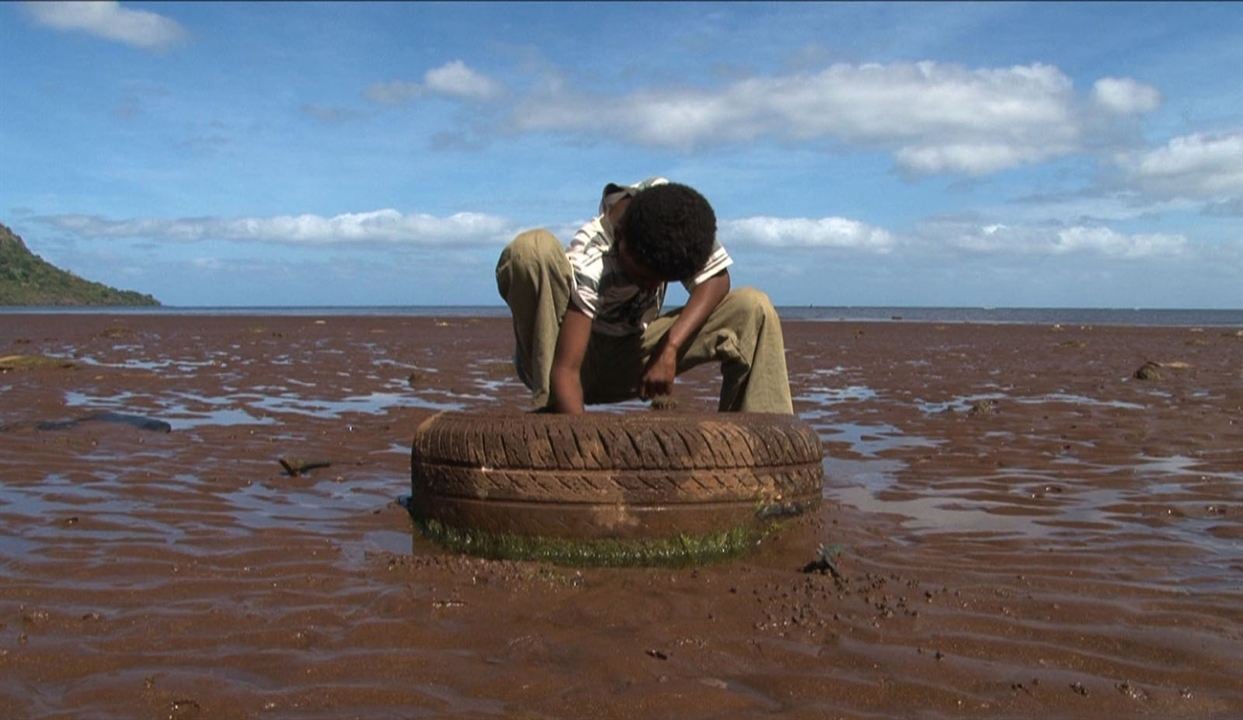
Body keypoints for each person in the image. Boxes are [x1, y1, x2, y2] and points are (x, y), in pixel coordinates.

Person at [495, 177, 793, 415]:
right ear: (622, 241)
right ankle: (551, 408)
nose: (651, 288)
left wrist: (670, 348)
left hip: (631, 355)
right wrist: (584, 452)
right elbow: (566, 371)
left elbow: (716, 279)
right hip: (566, 360)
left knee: (753, 307)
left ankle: (762, 443)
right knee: (533, 249)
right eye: (642, 278)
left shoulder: (671, 214)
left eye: (661, 281)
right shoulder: (591, 258)